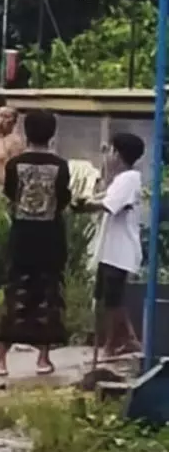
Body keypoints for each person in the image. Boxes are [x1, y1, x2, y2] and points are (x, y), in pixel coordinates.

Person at [0, 110, 71, 377]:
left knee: (15, 295)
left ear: (26, 132)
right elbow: (63, 199)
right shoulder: (60, 166)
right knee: (48, 297)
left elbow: (10, 194)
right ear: (51, 134)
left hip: (22, 238)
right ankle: (43, 359)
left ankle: (0, 360)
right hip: (51, 240)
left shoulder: (15, 165)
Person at [72, 133, 144, 359]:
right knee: (110, 297)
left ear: (117, 154)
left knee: (112, 299)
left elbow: (108, 205)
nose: (108, 155)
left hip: (119, 250)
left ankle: (111, 345)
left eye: (110, 151)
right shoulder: (123, 179)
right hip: (111, 249)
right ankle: (130, 339)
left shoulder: (128, 179)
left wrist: (85, 206)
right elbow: (106, 195)